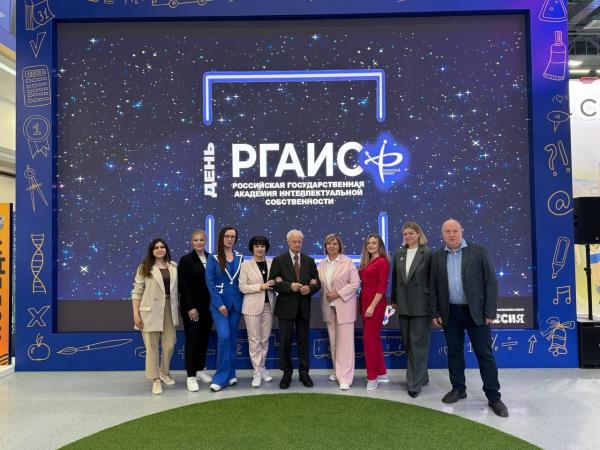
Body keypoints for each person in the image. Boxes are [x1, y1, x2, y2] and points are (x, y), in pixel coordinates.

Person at [431, 219, 509, 417]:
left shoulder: (478, 251)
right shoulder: (437, 256)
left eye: (455, 230)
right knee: (454, 353)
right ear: (442, 234)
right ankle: (458, 389)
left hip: (477, 313)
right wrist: (436, 312)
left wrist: (490, 311)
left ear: (462, 231)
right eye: (447, 231)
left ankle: (494, 397)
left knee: (484, 354)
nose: (451, 234)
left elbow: (491, 282)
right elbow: (433, 286)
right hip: (450, 312)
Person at [270, 229, 321, 389]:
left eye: (299, 241)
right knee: (285, 343)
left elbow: (317, 283)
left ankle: (304, 373)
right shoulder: (279, 260)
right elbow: (273, 282)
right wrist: (289, 286)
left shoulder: (309, 261)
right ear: (288, 242)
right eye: (294, 241)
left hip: (303, 308)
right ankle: (286, 374)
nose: (297, 244)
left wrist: (309, 289)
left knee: (303, 343)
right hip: (285, 308)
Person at [131, 238, 179, 395]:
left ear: (166, 249)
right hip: (150, 311)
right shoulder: (144, 267)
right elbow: (137, 291)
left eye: (162, 247)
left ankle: (164, 372)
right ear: (152, 250)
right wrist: (136, 314)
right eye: (156, 247)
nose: (159, 249)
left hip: (169, 309)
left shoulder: (173, 266)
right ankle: (155, 379)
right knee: (151, 347)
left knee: (169, 343)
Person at [391, 222, 433, 398]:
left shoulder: (428, 253)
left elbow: (433, 281)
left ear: (418, 234)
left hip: (421, 306)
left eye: (411, 233)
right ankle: (422, 376)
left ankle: (414, 384)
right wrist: (394, 300)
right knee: (409, 343)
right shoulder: (399, 254)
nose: (408, 236)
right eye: (405, 234)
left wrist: (434, 306)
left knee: (418, 344)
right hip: (403, 305)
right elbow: (395, 280)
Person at [317, 233, 360, 390]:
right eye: (329, 244)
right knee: (334, 342)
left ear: (339, 246)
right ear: (325, 246)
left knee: (345, 345)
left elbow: (355, 283)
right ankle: (337, 371)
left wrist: (338, 293)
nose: (332, 246)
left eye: (335, 243)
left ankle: (345, 378)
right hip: (328, 307)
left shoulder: (347, 262)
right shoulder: (322, 264)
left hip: (344, 307)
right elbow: (317, 283)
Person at [205, 226, 244, 392]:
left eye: (233, 236)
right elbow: (210, 282)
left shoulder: (240, 257)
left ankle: (231, 374)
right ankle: (220, 378)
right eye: (227, 236)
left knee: (232, 338)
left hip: (236, 304)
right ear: (221, 238)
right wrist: (219, 303)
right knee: (224, 336)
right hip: (219, 305)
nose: (230, 239)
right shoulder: (213, 258)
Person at [178, 229, 213, 392]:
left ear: (206, 241)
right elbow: (183, 286)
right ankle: (191, 375)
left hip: (209, 308)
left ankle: (199, 370)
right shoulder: (186, 260)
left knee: (203, 339)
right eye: (195, 240)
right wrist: (190, 307)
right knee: (193, 340)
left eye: (201, 240)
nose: (199, 243)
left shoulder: (212, 258)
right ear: (191, 242)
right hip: (192, 309)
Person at [239, 235, 276, 388]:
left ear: (266, 248)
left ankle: (262, 368)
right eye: (256, 246)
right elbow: (242, 287)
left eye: (262, 246)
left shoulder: (272, 263)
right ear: (252, 248)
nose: (260, 249)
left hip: (269, 306)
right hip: (252, 307)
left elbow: (277, 282)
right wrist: (261, 286)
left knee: (264, 339)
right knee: (254, 341)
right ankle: (256, 373)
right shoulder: (246, 265)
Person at [359, 234, 390, 391]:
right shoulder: (367, 261)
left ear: (380, 245)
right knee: (374, 339)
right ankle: (381, 372)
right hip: (364, 301)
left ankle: (372, 377)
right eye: (368, 243)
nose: (370, 245)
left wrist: (372, 306)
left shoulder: (382, 261)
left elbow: (382, 287)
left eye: (374, 243)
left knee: (369, 340)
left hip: (375, 303)